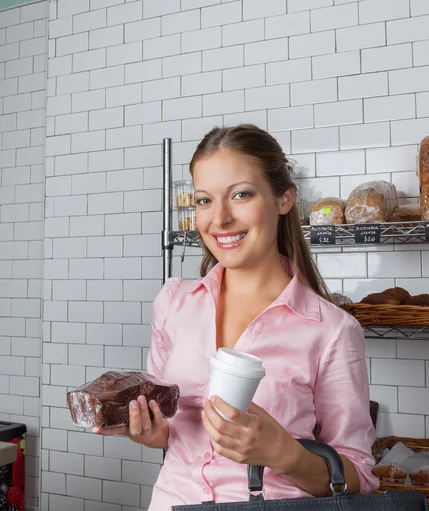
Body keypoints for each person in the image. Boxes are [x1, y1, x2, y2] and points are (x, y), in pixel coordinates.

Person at [93, 124, 379, 507]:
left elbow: (358, 474)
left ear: (284, 199)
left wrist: (285, 454)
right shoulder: (174, 303)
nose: (220, 219)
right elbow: (172, 430)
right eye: (204, 201)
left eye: (241, 195)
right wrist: (149, 431)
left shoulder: (331, 329)